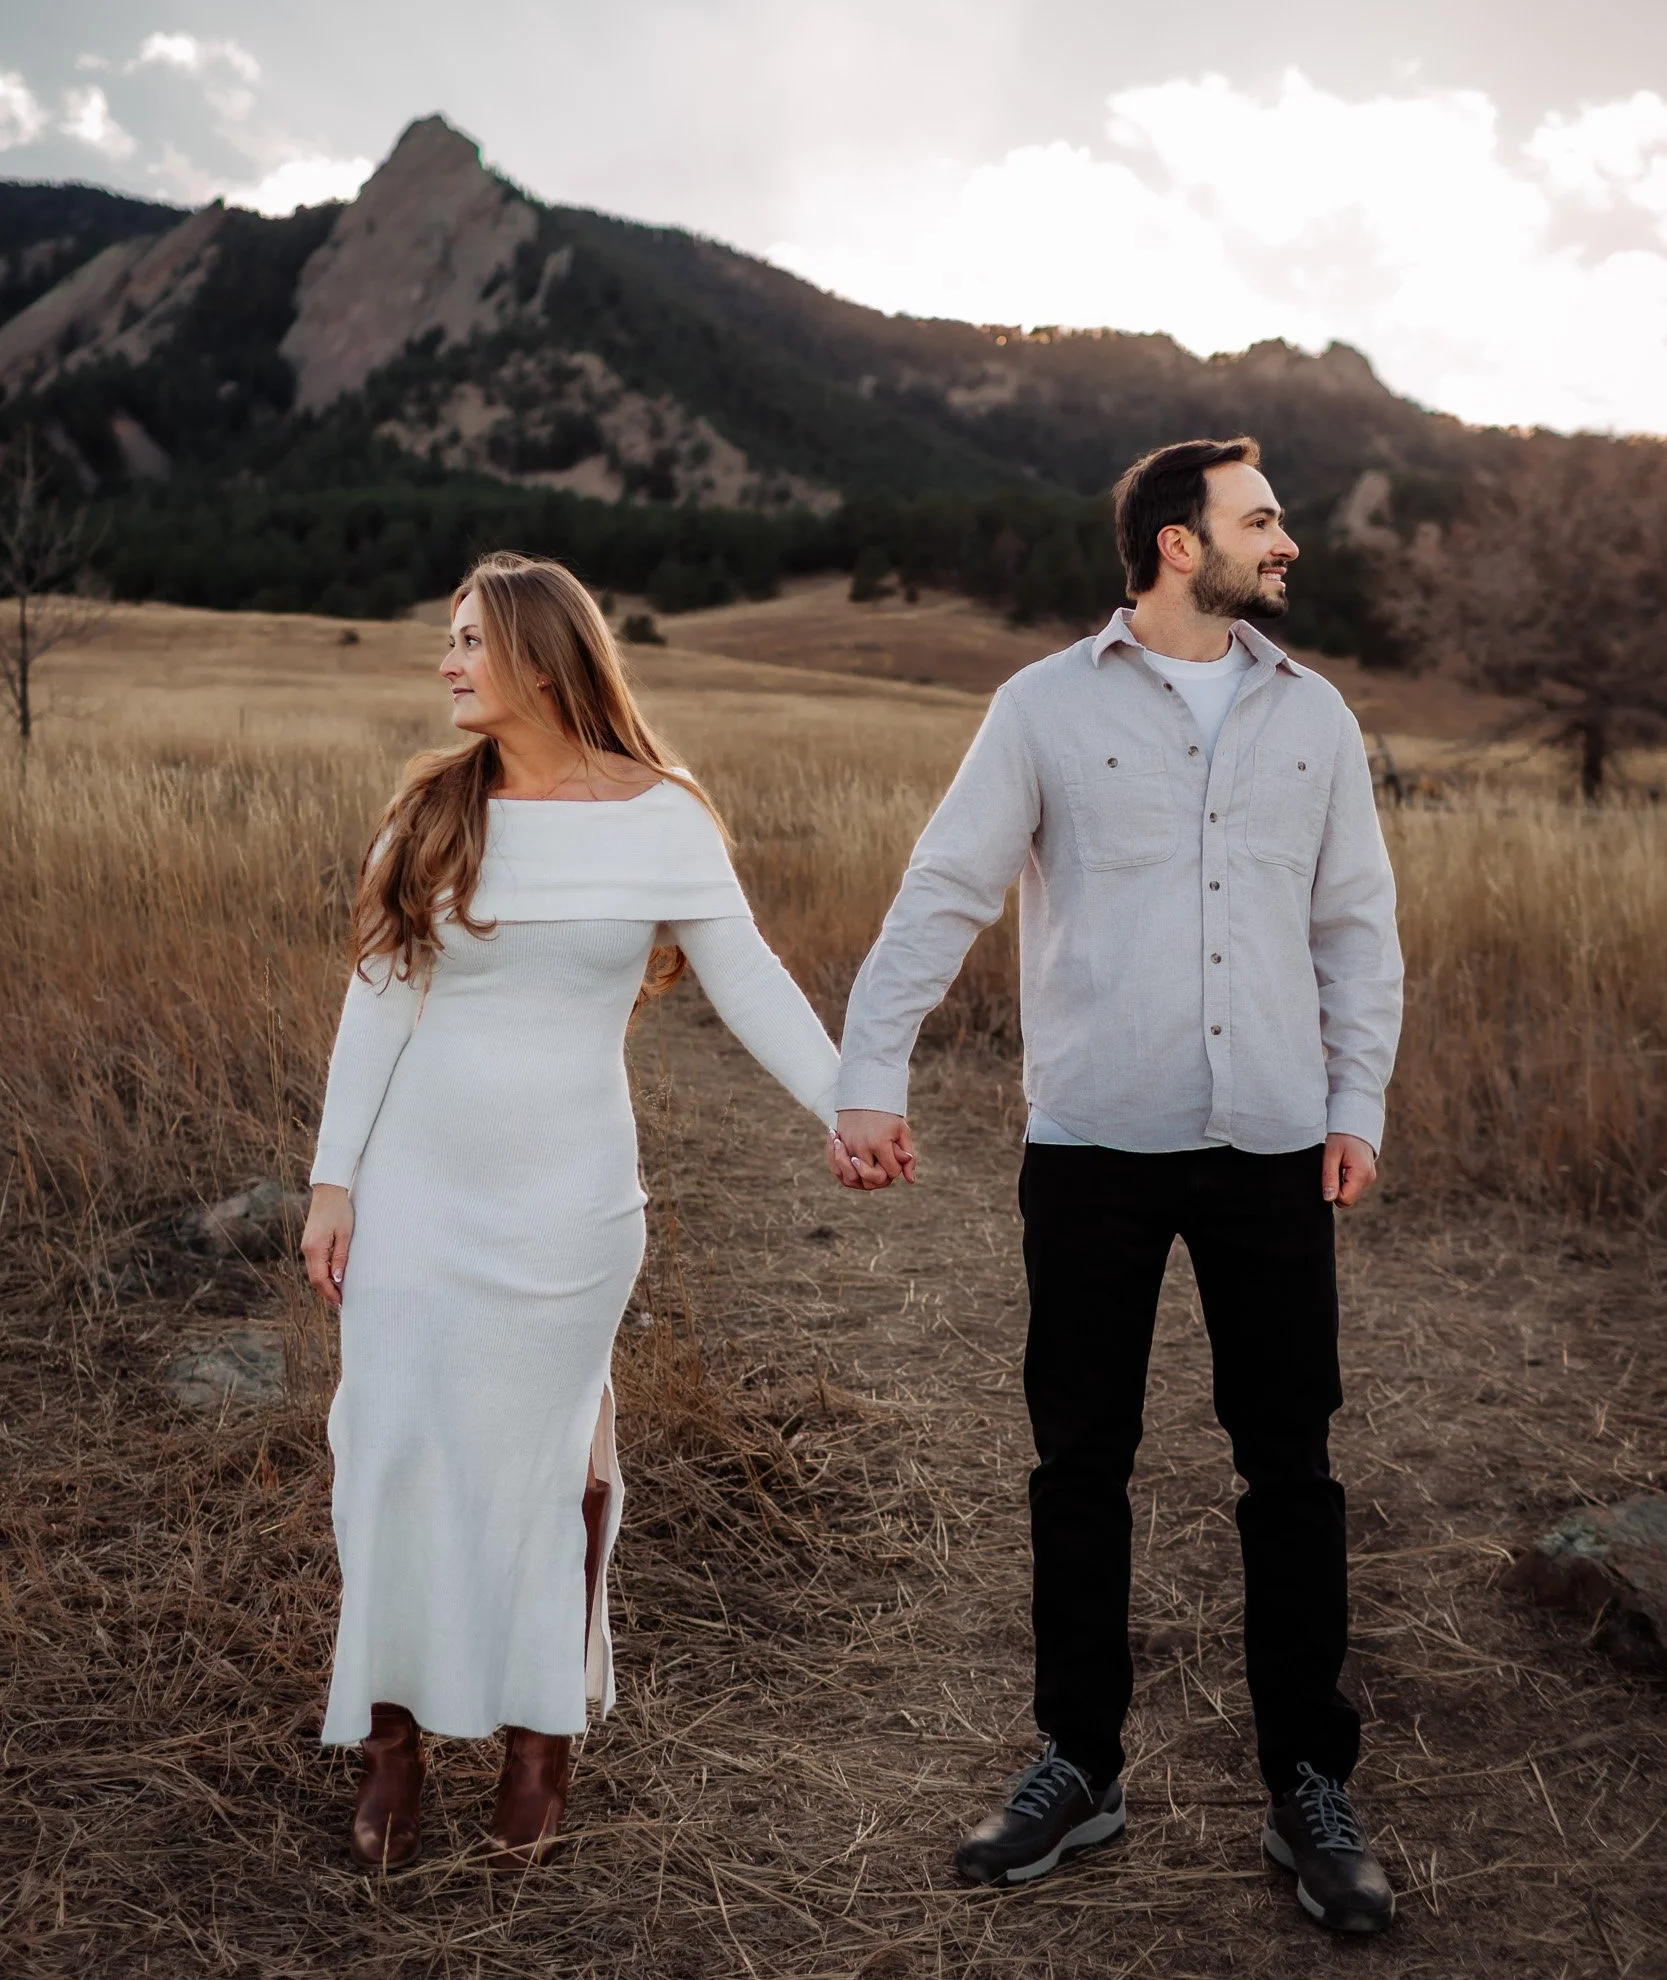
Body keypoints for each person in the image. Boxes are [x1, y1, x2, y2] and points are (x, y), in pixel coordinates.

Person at [831, 438, 1403, 1937]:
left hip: (1275, 1145)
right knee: (1076, 1461)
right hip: (1091, 1147)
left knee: (1291, 1467)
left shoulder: (1315, 716)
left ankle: (1306, 1784)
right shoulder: (1041, 708)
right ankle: (1079, 1764)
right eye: (1257, 520)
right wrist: (867, 1075)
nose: (1283, 543)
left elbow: (1355, 928)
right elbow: (942, 886)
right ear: (1172, 545)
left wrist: (1355, 1101)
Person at [300, 551, 841, 1871]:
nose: (446, 662)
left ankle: (540, 1744)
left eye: (466, 641)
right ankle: (390, 1746)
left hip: (569, 1207)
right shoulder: (433, 812)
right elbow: (377, 1002)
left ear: (543, 658)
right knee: (391, 1452)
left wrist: (847, 1103)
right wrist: (334, 1178)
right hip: (420, 1196)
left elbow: (750, 982)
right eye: (445, 639)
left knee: (550, 1469)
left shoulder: (662, 816)